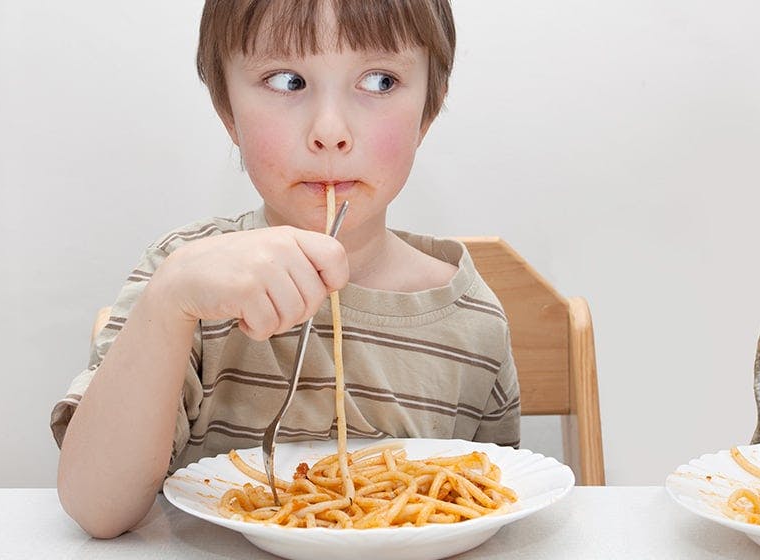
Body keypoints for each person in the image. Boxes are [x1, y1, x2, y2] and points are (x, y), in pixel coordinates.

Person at [52, 0, 519, 538]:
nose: (329, 131)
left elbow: (493, 507)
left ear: (427, 114)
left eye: (380, 81)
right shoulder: (183, 280)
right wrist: (170, 301)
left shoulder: (473, 321)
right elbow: (96, 508)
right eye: (287, 80)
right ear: (228, 112)